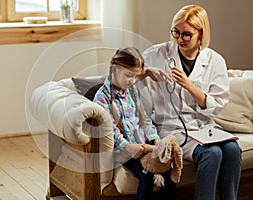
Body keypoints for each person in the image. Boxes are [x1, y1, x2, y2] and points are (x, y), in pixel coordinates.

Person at [138, 4, 242, 200]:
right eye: (175, 32)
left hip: (204, 126)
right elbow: (128, 79)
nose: (179, 39)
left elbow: (217, 104)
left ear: (200, 35)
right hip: (171, 128)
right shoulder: (156, 55)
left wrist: (189, 86)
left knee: (232, 149)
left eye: (186, 34)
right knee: (212, 154)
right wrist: (143, 74)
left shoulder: (215, 60)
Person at [93, 47, 176, 200]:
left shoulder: (132, 91)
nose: (132, 80)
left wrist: (154, 139)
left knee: (166, 168)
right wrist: (128, 146)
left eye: (135, 76)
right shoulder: (102, 98)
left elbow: (145, 120)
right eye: (129, 75)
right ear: (115, 69)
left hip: (143, 146)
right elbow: (110, 130)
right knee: (147, 174)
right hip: (123, 151)